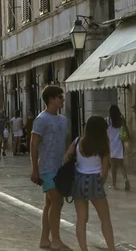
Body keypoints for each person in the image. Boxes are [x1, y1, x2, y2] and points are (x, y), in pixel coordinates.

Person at [63, 115, 115, 251]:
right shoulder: (103, 146)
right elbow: (104, 172)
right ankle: (111, 249)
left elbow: (65, 159)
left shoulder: (77, 141)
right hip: (94, 180)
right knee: (105, 219)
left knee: (81, 219)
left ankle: (84, 249)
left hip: (79, 180)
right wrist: (99, 184)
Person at [30, 85, 70, 251]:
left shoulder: (63, 120)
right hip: (47, 167)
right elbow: (34, 144)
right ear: (51, 99)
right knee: (57, 201)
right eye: (60, 97)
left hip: (60, 167)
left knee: (49, 203)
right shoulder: (41, 119)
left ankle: (44, 239)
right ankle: (56, 240)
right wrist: (34, 169)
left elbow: (65, 143)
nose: (63, 100)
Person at [107, 104, 130, 191]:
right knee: (121, 164)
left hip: (110, 144)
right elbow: (126, 130)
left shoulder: (107, 120)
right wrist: (129, 138)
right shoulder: (121, 120)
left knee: (113, 165)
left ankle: (113, 184)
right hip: (119, 144)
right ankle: (125, 179)